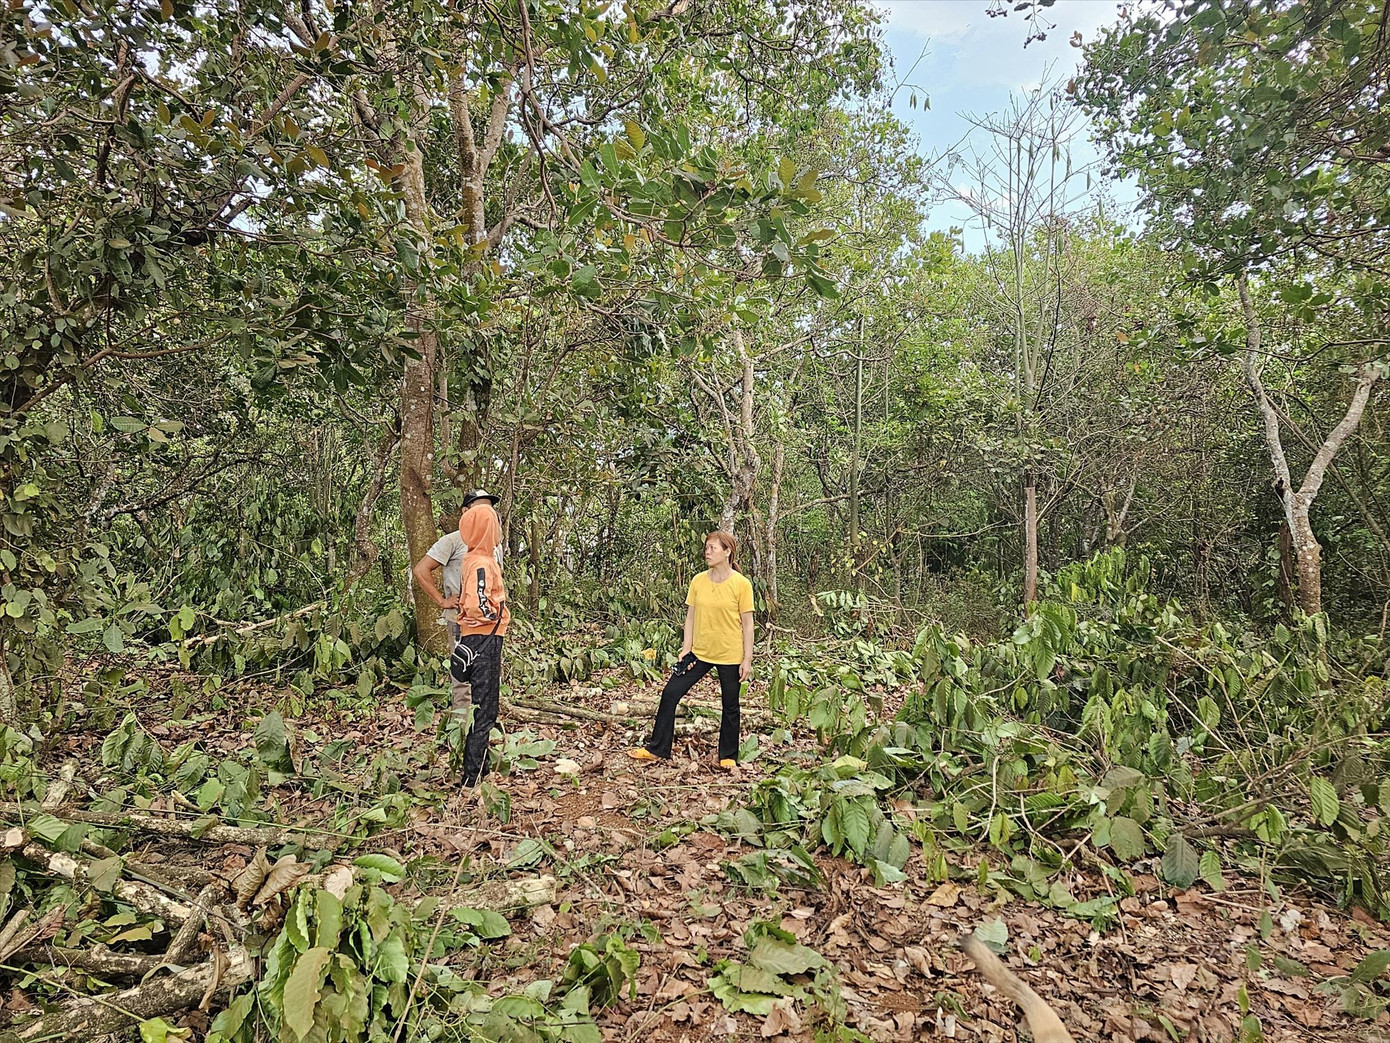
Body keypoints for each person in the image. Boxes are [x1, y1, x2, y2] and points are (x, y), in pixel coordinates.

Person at [628, 531, 753, 770]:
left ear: (727, 551)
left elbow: (748, 624)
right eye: (706, 547)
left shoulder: (741, 584)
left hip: (730, 654)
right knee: (670, 694)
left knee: (730, 705)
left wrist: (747, 659)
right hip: (699, 652)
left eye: (713, 548)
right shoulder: (698, 581)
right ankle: (657, 749)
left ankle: (728, 755)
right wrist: (686, 648)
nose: (707, 552)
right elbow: (691, 618)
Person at [412, 489, 500, 722]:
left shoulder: (495, 543)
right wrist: (442, 601)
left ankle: (481, 727)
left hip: (489, 625)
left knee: (487, 676)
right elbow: (421, 570)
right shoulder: (452, 540)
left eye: (489, 508)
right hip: (461, 621)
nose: (486, 513)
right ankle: (461, 728)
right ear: (465, 512)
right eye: (480, 508)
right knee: (463, 678)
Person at [455, 500, 509, 787]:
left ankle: (479, 768)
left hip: (479, 637)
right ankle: (473, 776)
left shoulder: (474, 558)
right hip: (484, 639)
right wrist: (494, 616)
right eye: (494, 525)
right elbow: (477, 603)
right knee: (485, 709)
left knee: (483, 706)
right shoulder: (481, 562)